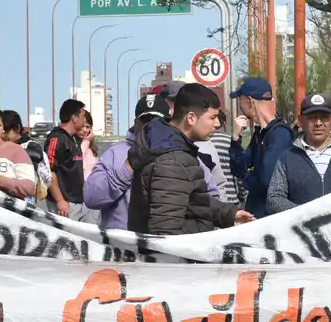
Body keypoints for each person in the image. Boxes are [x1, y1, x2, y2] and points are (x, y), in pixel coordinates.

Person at [129, 83, 253, 235]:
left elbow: (191, 201)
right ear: (191, 118)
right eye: (212, 117)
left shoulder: (173, 148)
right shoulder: (172, 161)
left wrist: (228, 214)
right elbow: (165, 232)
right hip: (177, 257)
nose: (217, 124)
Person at [266, 93, 331, 214]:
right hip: (303, 230)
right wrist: (306, 214)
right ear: (300, 120)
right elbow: (274, 198)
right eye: (312, 117)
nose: (318, 123)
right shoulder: (287, 157)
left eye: (324, 117)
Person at [86, 92, 172, 230]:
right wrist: (126, 170)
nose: (150, 126)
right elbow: (91, 197)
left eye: (157, 121)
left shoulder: (179, 153)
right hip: (122, 247)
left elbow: (209, 196)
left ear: (168, 124)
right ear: (136, 122)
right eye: (145, 120)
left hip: (164, 244)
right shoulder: (114, 153)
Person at [229, 77, 293, 218]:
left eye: (240, 99)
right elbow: (237, 166)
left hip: (270, 217)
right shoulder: (261, 133)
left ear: (250, 101)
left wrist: (246, 177)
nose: (239, 105)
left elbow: (268, 181)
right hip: (257, 213)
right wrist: (235, 138)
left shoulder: (280, 134)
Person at [43, 100, 92, 220]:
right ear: (74, 118)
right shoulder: (56, 138)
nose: (85, 120)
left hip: (78, 203)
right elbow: (49, 170)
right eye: (82, 116)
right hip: (64, 206)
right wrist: (60, 200)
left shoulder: (73, 139)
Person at [2, 109, 49, 206]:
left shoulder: (30, 146)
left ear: (17, 128)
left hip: (26, 202)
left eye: (6, 131)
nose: (2, 135)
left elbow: (37, 156)